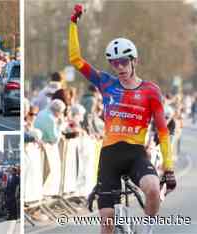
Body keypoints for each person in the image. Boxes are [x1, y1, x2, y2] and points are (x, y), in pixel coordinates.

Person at [69, 4, 176, 234]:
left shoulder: (150, 90)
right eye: (114, 63)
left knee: (154, 189)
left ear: (134, 61)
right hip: (109, 156)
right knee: (106, 222)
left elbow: (163, 131)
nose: (119, 67)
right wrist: (73, 24)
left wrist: (168, 167)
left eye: (123, 62)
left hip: (136, 154)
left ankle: (145, 230)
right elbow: (76, 60)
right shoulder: (106, 82)